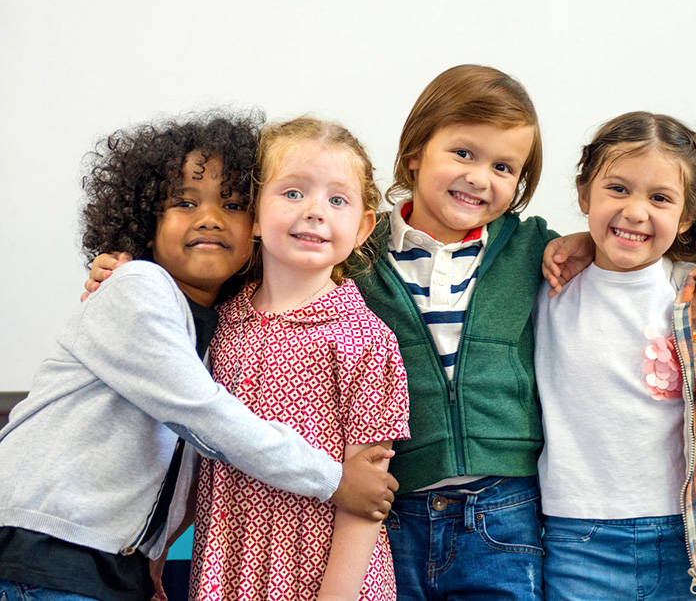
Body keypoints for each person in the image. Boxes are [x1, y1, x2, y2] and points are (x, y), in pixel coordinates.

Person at [0, 112, 397, 601]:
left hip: (118, 563)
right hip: (48, 552)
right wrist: (334, 480)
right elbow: (202, 415)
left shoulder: (236, 321)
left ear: (252, 221)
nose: (209, 217)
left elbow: (185, 453)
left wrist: (155, 553)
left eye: (231, 203)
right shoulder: (139, 288)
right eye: (184, 202)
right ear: (144, 220)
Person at [349, 64, 564, 600]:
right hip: (391, 507)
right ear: (415, 153)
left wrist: (580, 243)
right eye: (463, 153)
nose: (480, 177)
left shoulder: (529, 248)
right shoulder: (353, 249)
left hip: (503, 509)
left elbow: (622, 246)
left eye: (504, 166)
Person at [186, 117, 409, 601]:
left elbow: (367, 492)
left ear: (363, 225)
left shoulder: (367, 339)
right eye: (292, 193)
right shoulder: (219, 321)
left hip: (329, 577)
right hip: (227, 564)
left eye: (337, 200)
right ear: (254, 213)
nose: (314, 212)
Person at [535, 112, 696, 599]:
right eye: (617, 189)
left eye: (660, 199)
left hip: (687, 534)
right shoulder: (547, 285)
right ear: (583, 194)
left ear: (688, 216)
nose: (636, 212)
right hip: (576, 536)